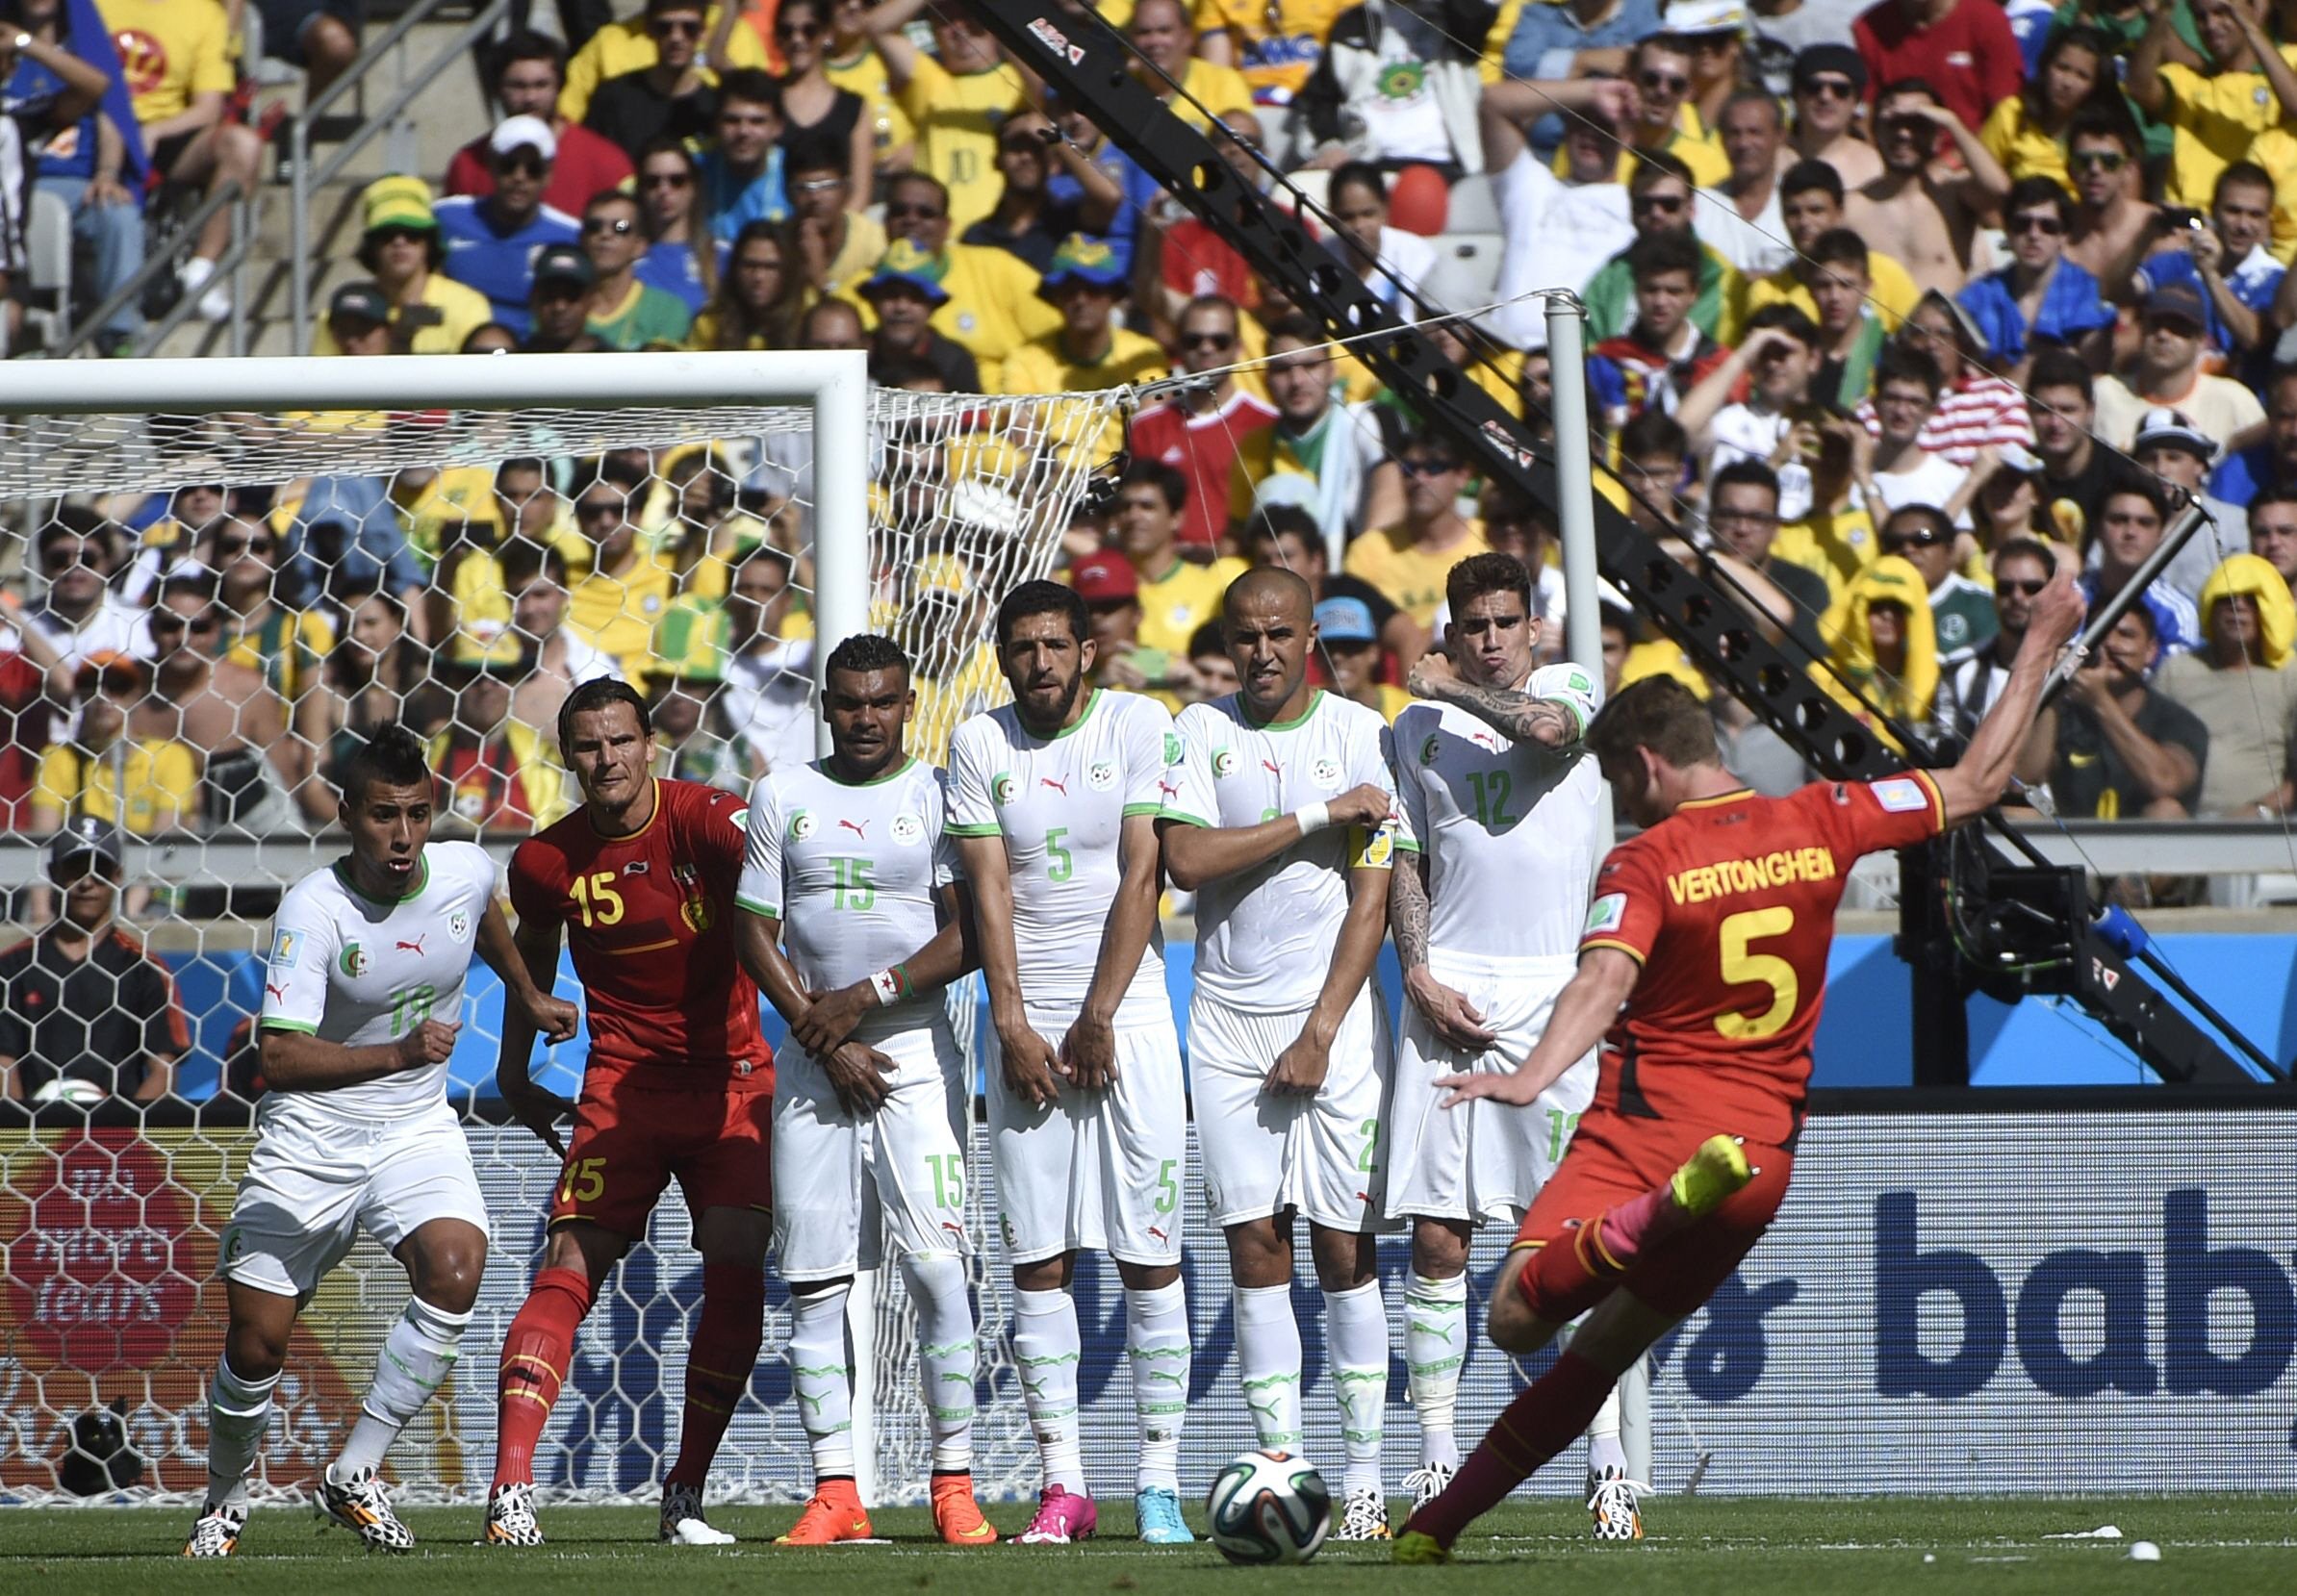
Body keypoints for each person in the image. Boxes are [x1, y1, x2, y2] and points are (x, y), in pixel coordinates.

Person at [1391, 562, 2089, 1564]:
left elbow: (1596, 985)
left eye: (1615, 777)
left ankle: (1641, 1224)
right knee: (1599, 1357)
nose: (1615, 796)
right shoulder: (1822, 818)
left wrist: (1529, 1076)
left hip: (1641, 1137)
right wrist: (2033, 653)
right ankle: (1435, 1530)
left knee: (1509, 1319)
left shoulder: (1642, 862)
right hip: (1756, 1162)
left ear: (1642, 764)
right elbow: (1977, 782)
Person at [178, 729, 577, 1557]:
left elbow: (482, 920)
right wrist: (397, 1052)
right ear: (347, 813)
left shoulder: (464, 868)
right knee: (257, 1345)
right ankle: (223, 1499)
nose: (403, 835)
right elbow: (279, 1056)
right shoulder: (314, 908)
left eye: (418, 814)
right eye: (385, 815)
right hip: (311, 1138)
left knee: (458, 1265)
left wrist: (530, 994)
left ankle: (355, 1470)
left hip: (413, 1126)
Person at [485, 679, 778, 1547]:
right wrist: (513, 1066)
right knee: (568, 1260)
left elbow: (780, 913)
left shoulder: (708, 823)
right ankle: (509, 1491)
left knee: (736, 1264)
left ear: (650, 743)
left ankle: (685, 1491)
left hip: (733, 1080)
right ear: (567, 755)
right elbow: (532, 965)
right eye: (586, 746)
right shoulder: (545, 860)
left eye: (619, 741)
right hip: (623, 1088)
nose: (605, 759)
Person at [1383, 551, 1631, 1534]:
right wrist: (1415, 969)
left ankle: (1606, 1460)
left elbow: (1542, 731)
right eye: (1469, 625)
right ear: (1449, 625)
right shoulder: (1409, 730)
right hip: (1449, 992)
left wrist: (1449, 687)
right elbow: (1407, 855)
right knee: (1438, 1236)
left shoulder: (1571, 685)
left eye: (1502, 622)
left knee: (1566, 1246)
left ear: (1531, 626)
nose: (1487, 640)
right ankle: (1436, 1459)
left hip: (1551, 996)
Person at [731, 633, 997, 1545]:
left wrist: (862, 1001)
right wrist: (822, 1025)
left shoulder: (934, 795)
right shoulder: (783, 793)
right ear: (826, 706)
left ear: (908, 702)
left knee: (935, 1270)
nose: (865, 718)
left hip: (914, 1055)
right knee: (814, 1281)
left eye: (882, 701)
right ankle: (834, 1488)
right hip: (814, 1061)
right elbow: (752, 926)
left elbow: (966, 937)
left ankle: (952, 1480)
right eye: (849, 702)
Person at [943, 580, 1193, 1545]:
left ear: (1085, 650)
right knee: (1034, 1261)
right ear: (1002, 658)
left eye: (1055, 645)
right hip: (1022, 1024)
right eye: (1021, 649)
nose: (1039, 663)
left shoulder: (1136, 722)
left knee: (1149, 1257)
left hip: (1124, 1014)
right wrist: (1007, 1020)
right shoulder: (977, 743)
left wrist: (1098, 1013)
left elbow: (1144, 873)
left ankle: (1159, 1484)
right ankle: (1063, 1487)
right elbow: (986, 887)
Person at [1157, 569, 1400, 1537]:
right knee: (1253, 1246)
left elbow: (1371, 897)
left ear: (1310, 639)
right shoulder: (1199, 733)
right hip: (1222, 1022)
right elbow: (1185, 861)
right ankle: (1280, 1473)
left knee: (1342, 1248)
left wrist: (1319, 1032)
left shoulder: (1359, 737)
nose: (1260, 652)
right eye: (1243, 635)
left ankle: (1369, 1478)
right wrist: (1314, 815)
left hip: (1328, 1022)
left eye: (1277, 634)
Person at [0, 819, 187, 1104]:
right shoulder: (13, 967)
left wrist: (121, 1134)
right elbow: (4, 1065)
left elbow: (163, 1071)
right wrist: (22, 1134)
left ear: (118, 876)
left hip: (117, 1140)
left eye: (98, 870)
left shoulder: (145, 970)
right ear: (53, 873)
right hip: (33, 1138)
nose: (87, 883)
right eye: (75, 869)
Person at [94, 0, 258, 322]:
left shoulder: (204, 12)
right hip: (96, 126)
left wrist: (156, 131)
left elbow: (208, 108)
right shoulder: (93, 6)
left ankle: (202, 270)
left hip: (168, 132)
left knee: (244, 145)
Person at [1481, 75, 1636, 351]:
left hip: (1584, 363)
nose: (1590, 133)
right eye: (1582, 121)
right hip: (1507, 356)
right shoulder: (1532, 187)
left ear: (1627, 136)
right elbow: (1493, 102)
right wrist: (1591, 91)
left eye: (1604, 125)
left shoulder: (1640, 206)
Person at [2024, 602, 2207, 818]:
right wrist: (2054, 692)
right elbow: (2026, 778)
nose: (2110, 644)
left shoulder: (2178, 720)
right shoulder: (2066, 714)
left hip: (2146, 845)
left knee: (2166, 810)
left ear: (2151, 651)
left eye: (2125, 635)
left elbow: (2165, 782)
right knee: (2017, 811)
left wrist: (2100, 701)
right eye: (2100, 634)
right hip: (2072, 840)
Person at [1128, 296, 1279, 557]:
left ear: (1238, 348)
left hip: (1239, 565)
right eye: (1193, 340)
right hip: (1162, 568)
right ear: (1178, 346)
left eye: (1219, 341)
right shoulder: (1147, 427)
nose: (1206, 349)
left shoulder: (1266, 423)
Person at [865, 0, 1025, 233]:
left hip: (997, 235)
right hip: (932, 238)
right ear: (933, 31)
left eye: (971, 18)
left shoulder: (1019, 81)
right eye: (946, 21)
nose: (959, 29)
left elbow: (1034, 42)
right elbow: (875, 27)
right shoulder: (929, 80)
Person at [2128, 0, 2297, 217]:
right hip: (2184, 223)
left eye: (2223, 13)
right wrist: (2163, 14)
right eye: (2201, 18)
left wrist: (2250, 26)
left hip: (2248, 224)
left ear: (2254, 8)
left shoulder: (2288, 63)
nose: (2211, 25)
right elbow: (2139, 87)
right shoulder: (2188, 80)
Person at [2158, 554, 2297, 816]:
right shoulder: (2176, 671)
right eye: (2226, 598)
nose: (2238, 606)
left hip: (2266, 832)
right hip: (2183, 828)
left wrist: (2260, 813)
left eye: (2251, 599)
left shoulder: (2290, 676)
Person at [1848, 78, 2011, 297]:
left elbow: (2000, 189)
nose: (1904, 134)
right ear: (1876, 132)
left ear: (1937, 137)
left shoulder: (1955, 195)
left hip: (1942, 328)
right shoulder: (1852, 207)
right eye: (1894, 124)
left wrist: (1953, 122)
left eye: (1918, 124)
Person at [445, 29, 634, 214]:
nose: (530, 98)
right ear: (496, 89)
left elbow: (628, 226)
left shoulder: (606, 162)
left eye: (541, 85)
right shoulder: (469, 164)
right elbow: (452, 230)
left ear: (560, 87)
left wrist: (613, 232)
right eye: (518, 86)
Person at [434, 115, 582, 337]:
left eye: (533, 169)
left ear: (548, 175)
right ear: (491, 165)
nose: (519, 177)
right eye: (508, 166)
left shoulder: (571, 235)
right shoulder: (445, 217)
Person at [1957, 177, 2115, 379]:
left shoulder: (2086, 291)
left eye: (2047, 226)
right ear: (2007, 230)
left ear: (2064, 236)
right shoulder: (1981, 293)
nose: (2033, 234)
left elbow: (2092, 375)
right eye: (2022, 224)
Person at [2132, 162, 2284, 369]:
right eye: (2233, 211)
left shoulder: (2275, 278)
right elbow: (2120, 291)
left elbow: (2253, 337)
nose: (2243, 225)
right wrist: (2143, 237)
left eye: (2255, 215)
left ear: (2268, 220)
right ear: (2213, 210)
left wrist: (2209, 273)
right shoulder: (2180, 261)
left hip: (2236, 397)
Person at [324, 178, 495, 357]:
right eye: (387, 235)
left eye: (412, 233)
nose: (399, 242)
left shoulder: (467, 306)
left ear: (429, 243)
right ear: (371, 246)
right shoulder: (340, 314)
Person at [1345, 431, 1494, 632]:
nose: (1419, 479)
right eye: (1409, 469)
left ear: (1463, 476)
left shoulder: (1491, 540)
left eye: (1434, 468)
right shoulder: (1368, 550)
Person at [1748, 158, 1921, 330]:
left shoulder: (1886, 274)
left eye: (1816, 211)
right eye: (1793, 212)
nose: (1804, 222)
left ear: (1840, 213)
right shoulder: (1766, 293)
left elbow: (1917, 339)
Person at [2093, 284, 2267, 449]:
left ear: (2201, 341)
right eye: (2155, 325)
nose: (2163, 335)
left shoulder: (2233, 400)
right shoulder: (2105, 394)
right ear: (2142, 331)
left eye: (2177, 328)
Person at [1587, 230, 1731, 428]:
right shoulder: (1605, 362)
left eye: (1674, 291)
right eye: (1651, 289)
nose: (1660, 302)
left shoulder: (1720, 366)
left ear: (1694, 294)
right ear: (1636, 290)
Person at [1931, 536, 2056, 747]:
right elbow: (1947, 750)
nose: (2017, 597)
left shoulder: (2076, 666)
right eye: (2005, 588)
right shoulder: (1958, 669)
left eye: (2031, 588)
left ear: (2052, 592)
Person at [1980, 25, 2120, 189]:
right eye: (2062, 68)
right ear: (2046, 67)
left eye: (2082, 76)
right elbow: (1979, 177)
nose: (2067, 82)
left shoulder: (2103, 134)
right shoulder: (2012, 113)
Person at [1852, 0, 2022, 135]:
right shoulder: (1870, 27)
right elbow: (1865, 114)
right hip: (1895, 156)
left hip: (1971, 157)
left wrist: (1951, 162)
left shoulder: (1987, 19)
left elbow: (2005, 113)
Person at [583, 0, 723, 163]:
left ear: (703, 32)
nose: (676, 37)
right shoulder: (612, 98)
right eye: (665, 28)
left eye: (689, 28)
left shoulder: (715, 106)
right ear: (649, 29)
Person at [2027, 349, 2136, 546]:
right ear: (2029, 411)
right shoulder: (2017, 477)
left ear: (2090, 411)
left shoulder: (2122, 476)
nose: (2055, 423)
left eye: (2068, 410)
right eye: (2044, 410)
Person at [2082, 482, 2204, 654]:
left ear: (2161, 533)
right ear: (2098, 528)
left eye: (2145, 523)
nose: (2131, 532)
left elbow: (2171, 680)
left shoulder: (2177, 613)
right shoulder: (2069, 598)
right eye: (2119, 520)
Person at [1697, 87, 1796, 278]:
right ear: (1722, 140)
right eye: (1735, 133)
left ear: (1780, 136)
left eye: (1755, 132)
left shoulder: (1798, 206)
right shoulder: (1700, 205)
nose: (1744, 143)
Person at [579, 189, 694, 350]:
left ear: (640, 246)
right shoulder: (563, 309)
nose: (605, 234)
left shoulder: (667, 310)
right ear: (581, 240)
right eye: (594, 227)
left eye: (620, 227)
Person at [1882, 502, 1996, 656]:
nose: (1908, 550)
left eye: (1923, 539)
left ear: (1950, 550)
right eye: (1895, 542)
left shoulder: (1982, 603)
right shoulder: (1875, 606)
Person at [697, 69, 791, 243]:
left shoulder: (793, 175)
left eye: (757, 121)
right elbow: (629, 221)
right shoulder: (690, 174)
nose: (743, 132)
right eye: (732, 120)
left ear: (778, 127)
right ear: (716, 124)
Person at [1786, 42, 1882, 187]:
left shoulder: (1877, 167)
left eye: (1840, 90)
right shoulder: (1769, 161)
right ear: (1796, 95)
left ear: (1856, 101)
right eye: (1814, 87)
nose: (1826, 97)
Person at [1319, 595, 1410, 721]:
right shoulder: (1301, 710)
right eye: (1326, 648)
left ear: (1374, 652)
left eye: (1349, 647)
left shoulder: (1408, 710)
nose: (1336, 657)